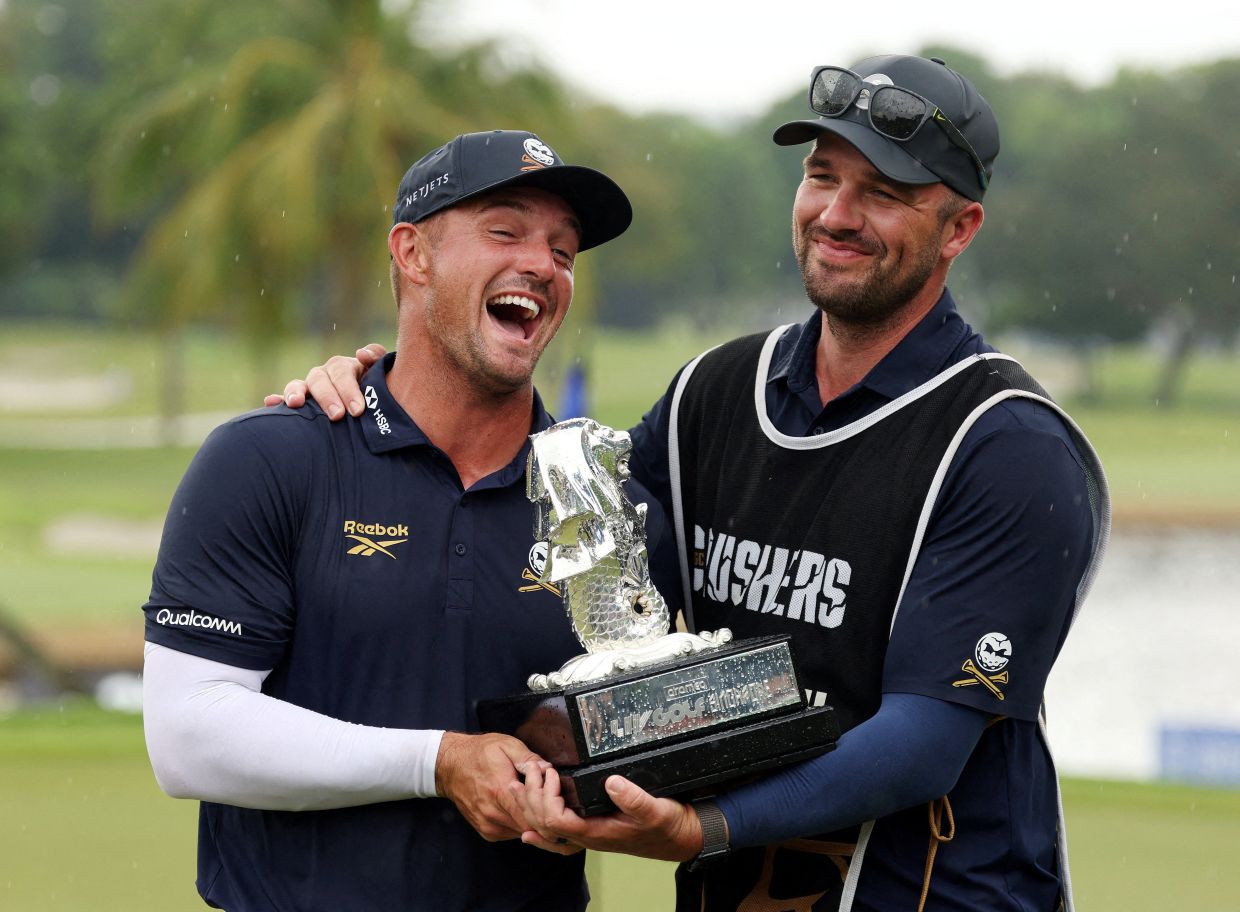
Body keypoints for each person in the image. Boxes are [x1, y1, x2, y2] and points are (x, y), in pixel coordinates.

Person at [281, 56, 1109, 912]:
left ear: (959, 227)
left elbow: (924, 740)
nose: (837, 213)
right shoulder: (716, 393)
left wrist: (700, 826)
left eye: (885, 193)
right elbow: (559, 560)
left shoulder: (1006, 442)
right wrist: (389, 394)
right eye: (821, 176)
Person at [141, 129, 672, 912]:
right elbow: (188, 736)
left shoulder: (606, 509)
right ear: (413, 254)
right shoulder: (269, 460)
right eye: (505, 230)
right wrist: (440, 762)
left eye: (563, 251)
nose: (542, 264)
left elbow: (642, 730)